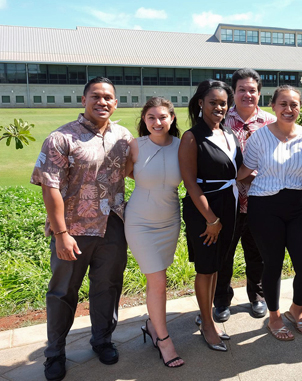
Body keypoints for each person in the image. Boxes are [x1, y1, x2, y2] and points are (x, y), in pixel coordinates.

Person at [31, 77, 133, 381]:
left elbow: (135, 170)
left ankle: (102, 340)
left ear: (116, 103)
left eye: (108, 98)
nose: (102, 102)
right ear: (83, 100)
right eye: (96, 97)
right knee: (62, 293)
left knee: (108, 287)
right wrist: (61, 234)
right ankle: (55, 353)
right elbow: (49, 188)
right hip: (73, 229)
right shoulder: (61, 138)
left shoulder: (124, 137)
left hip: (112, 226)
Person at [238, 85, 302, 341]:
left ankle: (296, 310)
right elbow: (244, 171)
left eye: (294, 104)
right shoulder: (259, 137)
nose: (288, 109)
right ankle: (274, 317)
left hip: (296, 208)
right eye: (283, 104)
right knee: (272, 263)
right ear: (272, 106)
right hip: (264, 208)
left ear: (300, 108)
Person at [179, 79, 241, 352]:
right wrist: (212, 219)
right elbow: (190, 182)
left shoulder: (228, 133)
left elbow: (234, 171)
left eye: (223, 103)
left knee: (216, 265)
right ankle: (207, 323)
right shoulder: (192, 137)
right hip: (205, 209)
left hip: (229, 204)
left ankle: (207, 316)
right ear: (200, 103)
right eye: (213, 102)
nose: (219, 107)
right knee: (205, 268)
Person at [124, 97, 184, 367]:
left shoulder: (184, 147)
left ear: (172, 118)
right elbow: (127, 173)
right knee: (158, 282)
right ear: (144, 120)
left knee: (159, 279)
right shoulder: (136, 146)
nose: (157, 122)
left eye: (162, 117)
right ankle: (164, 340)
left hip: (170, 219)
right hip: (140, 221)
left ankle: (152, 324)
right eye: (151, 117)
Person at [213, 68, 275, 322]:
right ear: (233, 92)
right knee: (224, 253)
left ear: (259, 93)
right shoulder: (221, 119)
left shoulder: (271, 122)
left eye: (252, 90)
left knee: (257, 252)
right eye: (242, 90)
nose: (247, 94)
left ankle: (257, 296)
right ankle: (221, 300)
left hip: (260, 200)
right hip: (228, 200)